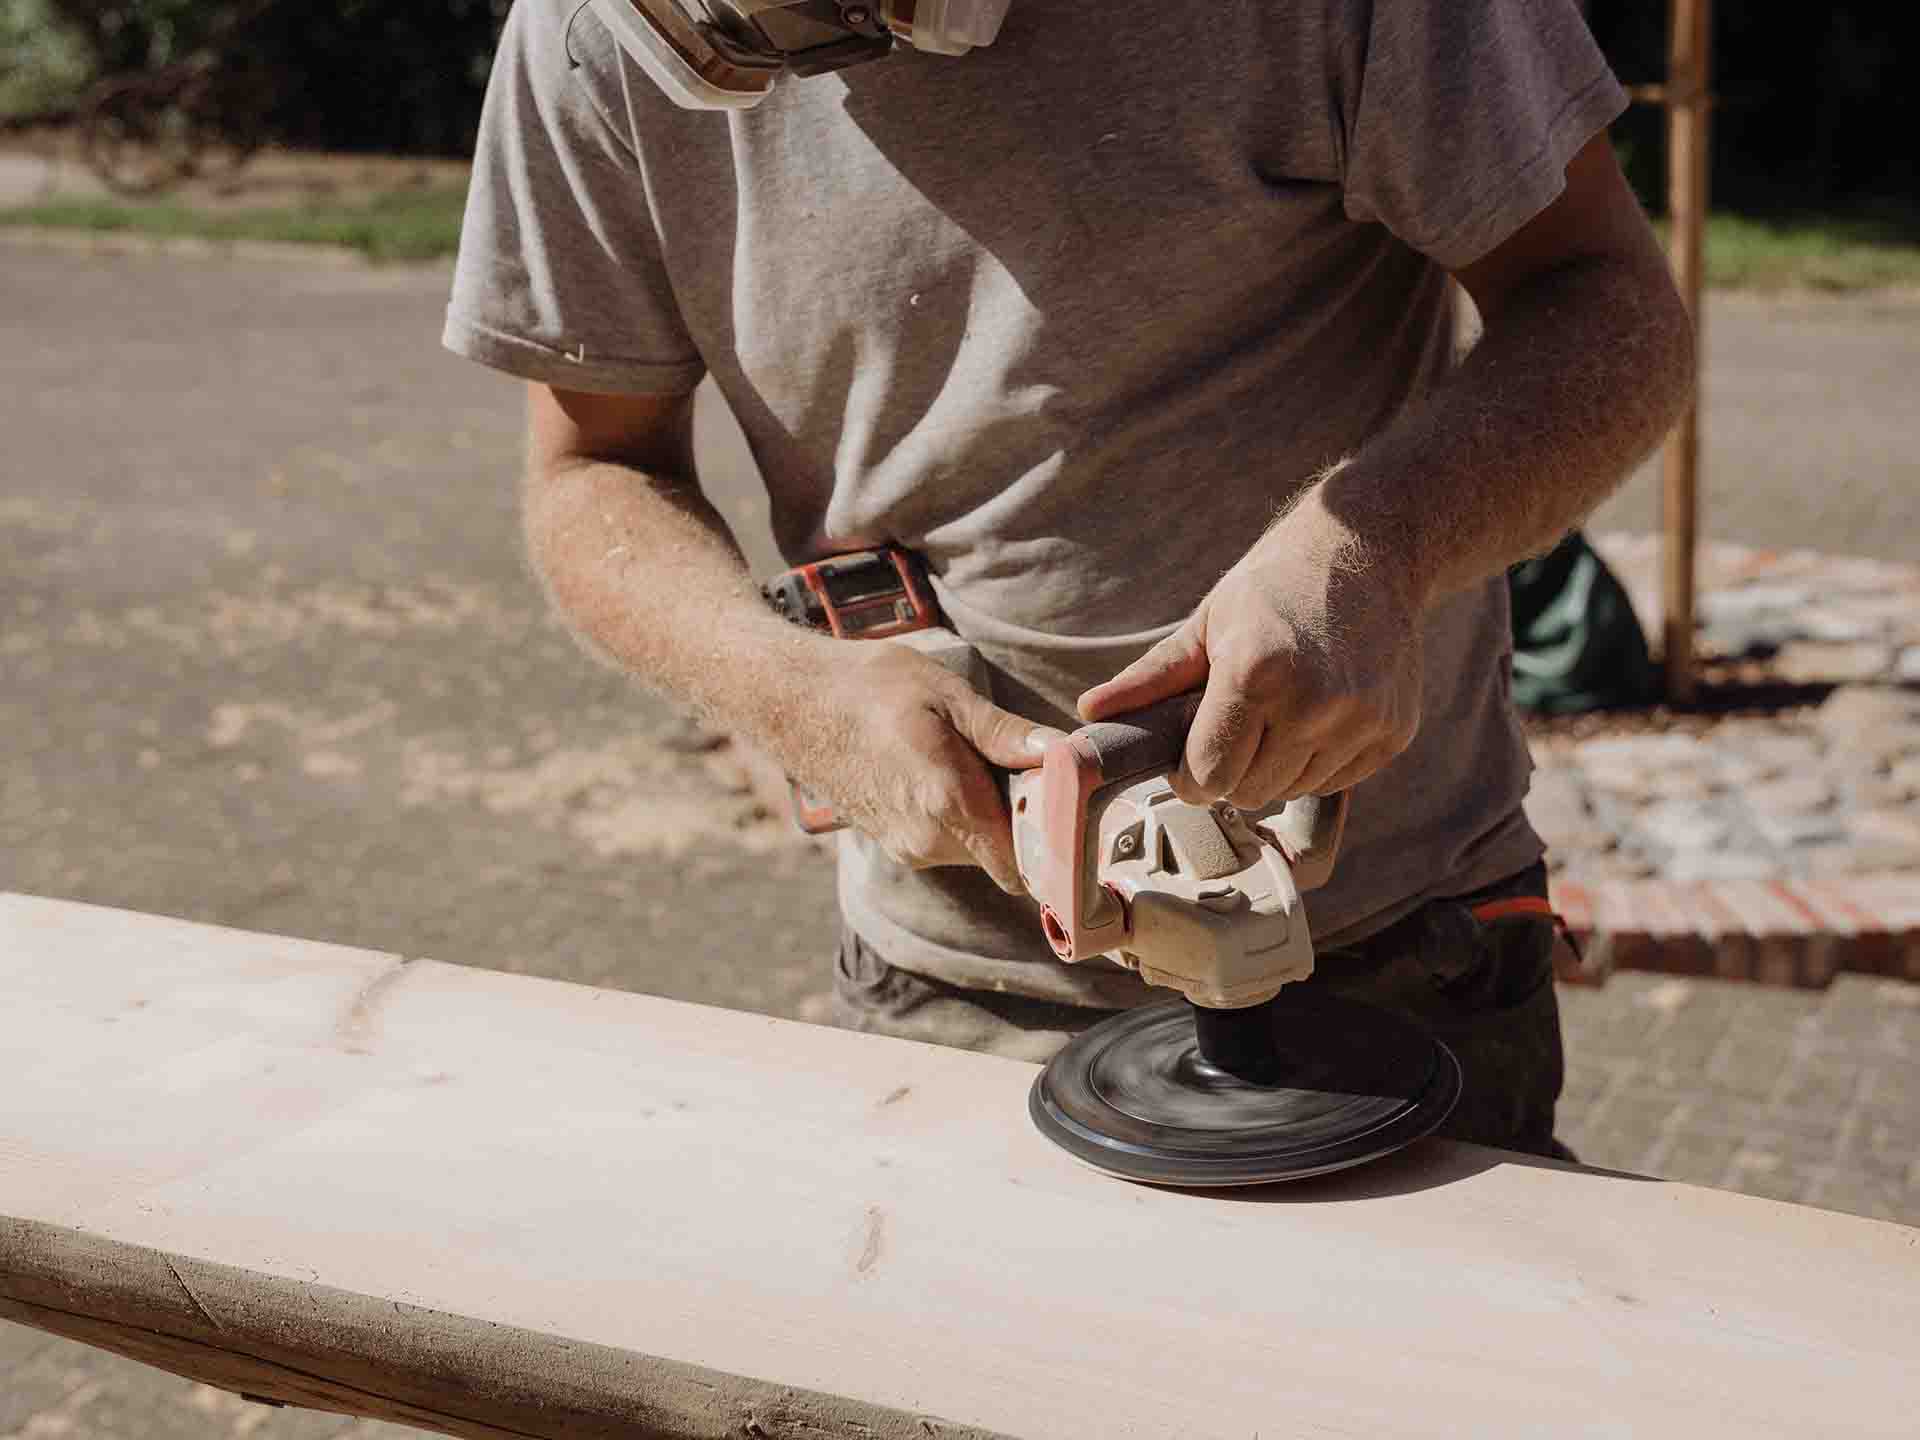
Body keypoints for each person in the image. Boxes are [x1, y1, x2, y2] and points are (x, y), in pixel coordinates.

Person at [444, 0, 1692, 1158]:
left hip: (1402, 958)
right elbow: (594, 471)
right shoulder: (593, 32)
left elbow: (1606, 305)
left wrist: (1374, 544)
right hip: (951, 989)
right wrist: (786, 693)